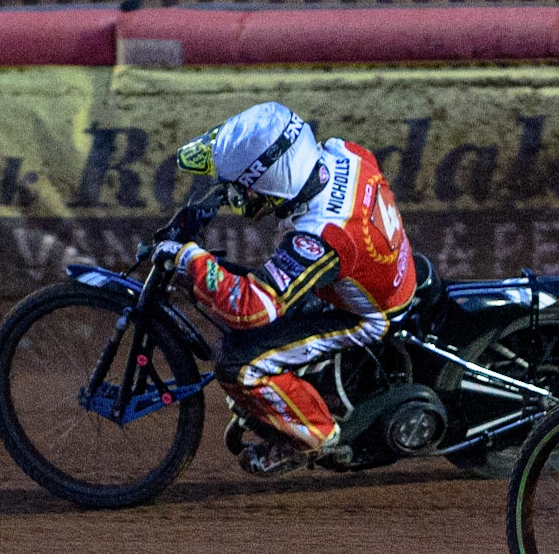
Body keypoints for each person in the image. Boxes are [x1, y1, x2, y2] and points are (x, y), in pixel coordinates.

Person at [153, 101, 417, 475]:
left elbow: (252, 308)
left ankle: (315, 438)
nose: (239, 197)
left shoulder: (321, 237)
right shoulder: (342, 152)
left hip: (366, 314)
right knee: (237, 286)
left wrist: (190, 259)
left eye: (244, 189)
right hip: (374, 272)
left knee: (239, 365)